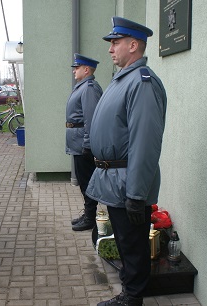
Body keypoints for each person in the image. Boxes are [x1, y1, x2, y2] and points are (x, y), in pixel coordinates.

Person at [86, 17, 167, 306]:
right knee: (125, 241)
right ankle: (129, 293)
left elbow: (145, 142)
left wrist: (136, 193)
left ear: (133, 46)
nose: (110, 49)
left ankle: (132, 298)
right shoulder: (125, 79)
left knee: (132, 245)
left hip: (126, 182)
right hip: (115, 179)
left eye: (115, 43)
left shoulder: (142, 83)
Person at [65, 53, 103, 231]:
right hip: (77, 142)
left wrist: (87, 144)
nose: (74, 70)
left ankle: (90, 218)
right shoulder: (82, 86)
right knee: (83, 180)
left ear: (86, 69)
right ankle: (88, 214)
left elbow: (91, 118)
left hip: (82, 144)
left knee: (87, 181)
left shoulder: (89, 88)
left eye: (77, 67)